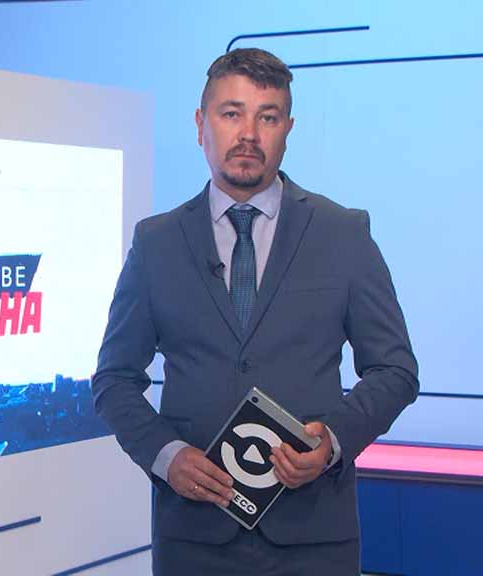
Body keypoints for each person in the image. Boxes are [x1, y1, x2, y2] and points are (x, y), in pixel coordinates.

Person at [92, 47, 418, 575]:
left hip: (314, 537)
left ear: (288, 129)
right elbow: (113, 380)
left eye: (267, 117)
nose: (248, 134)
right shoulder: (156, 243)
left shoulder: (343, 233)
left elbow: (396, 370)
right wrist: (166, 456)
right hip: (193, 538)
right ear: (200, 124)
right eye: (231, 113)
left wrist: (333, 440)